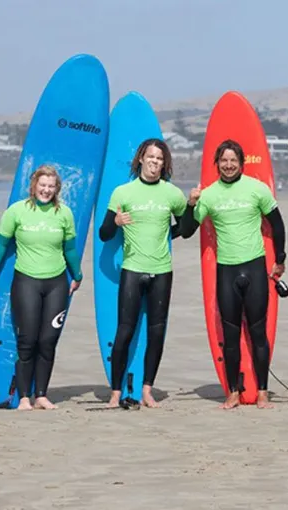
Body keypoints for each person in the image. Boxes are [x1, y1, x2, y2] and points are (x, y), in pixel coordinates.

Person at [179, 139, 287, 410]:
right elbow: (187, 230)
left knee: (258, 332)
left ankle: (262, 391)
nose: (228, 165)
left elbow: (277, 223)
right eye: (224, 161)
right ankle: (233, 392)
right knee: (230, 336)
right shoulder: (210, 195)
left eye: (233, 161)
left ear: (241, 163)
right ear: (217, 163)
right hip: (226, 270)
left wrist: (281, 259)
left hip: (255, 268)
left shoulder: (257, 190)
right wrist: (191, 204)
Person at [97, 138, 191, 409]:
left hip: (162, 271)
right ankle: (115, 392)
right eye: (151, 157)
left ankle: (147, 390)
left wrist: (192, 206)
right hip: (132, 270)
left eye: (160, 159)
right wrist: (115, 222)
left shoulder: (171, 194)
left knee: (157, 332)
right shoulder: (123, 193)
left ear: (165, 164)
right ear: (141, 159)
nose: (155, 162)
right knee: (124, 331)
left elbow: (185, 227)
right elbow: (104, 234)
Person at [0, 165, 83, 411]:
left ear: (57, 188)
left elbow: (69, 249)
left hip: (56, 283)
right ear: (33, 186)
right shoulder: (16, 212)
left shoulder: (64, 214)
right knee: (27, 340)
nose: (46, 190)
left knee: (48, 341)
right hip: (26, 281)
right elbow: (1, 246)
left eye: (51, 186)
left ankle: (41, 395)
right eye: (43, 185)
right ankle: (25, 397)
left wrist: (77, 275)